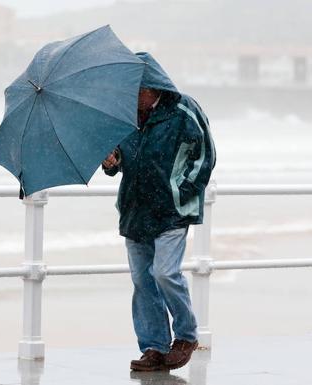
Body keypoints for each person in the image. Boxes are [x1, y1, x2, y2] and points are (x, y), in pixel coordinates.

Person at [102, 52, 216, 371]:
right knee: (142, 281)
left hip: (172, 210)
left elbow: (204, 155)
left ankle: (186, 335)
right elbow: (121, 160)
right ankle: (153, 347)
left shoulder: (183, 109)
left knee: (165, 272)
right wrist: (112, 162)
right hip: (135, 209)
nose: (133, 95)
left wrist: (181, 192)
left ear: (153, 86)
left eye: (137, 89)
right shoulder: (123, 116)